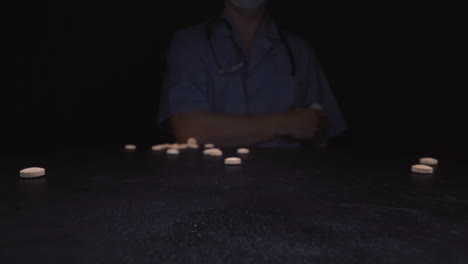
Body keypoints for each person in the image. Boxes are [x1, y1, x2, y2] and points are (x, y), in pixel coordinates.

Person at [158, 0, 347, 147]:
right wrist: (288, 123)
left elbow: (321, 134)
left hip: (288, 186)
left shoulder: (298, 51)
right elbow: (190, 130)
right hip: (209, 187)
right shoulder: (189, 45)